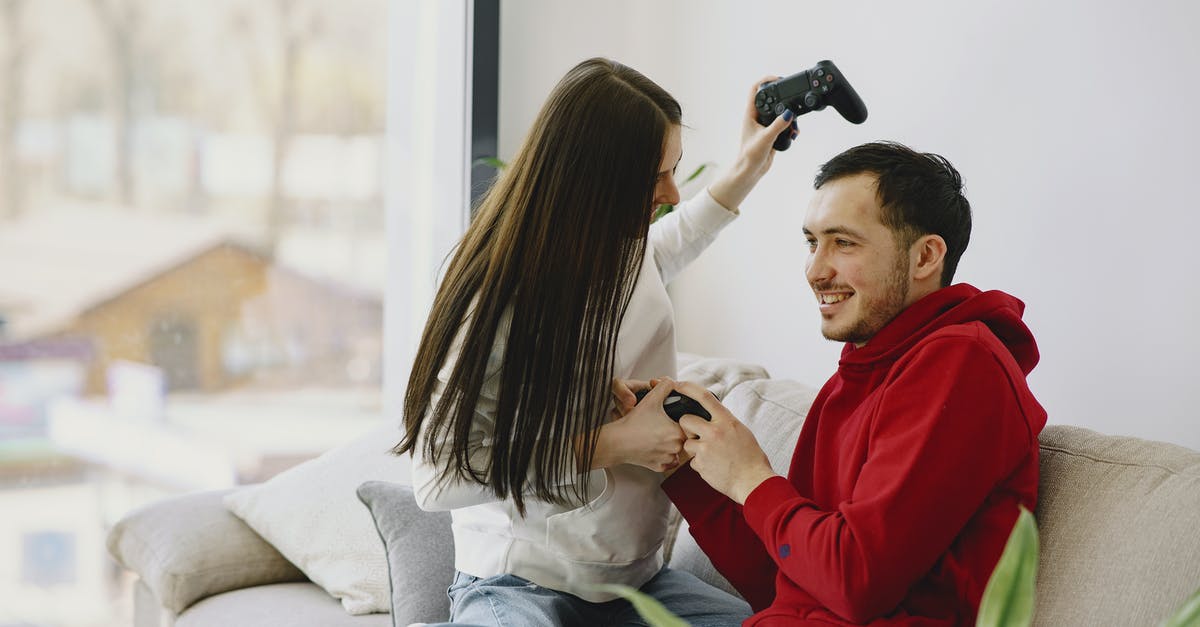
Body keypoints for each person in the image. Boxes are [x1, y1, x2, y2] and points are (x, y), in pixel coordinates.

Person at [392, 57, 797, 626]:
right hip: (518, 585)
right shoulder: (495, 294)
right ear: (594, 179)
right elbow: (437, 481)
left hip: (639, 585)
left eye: (674, 169)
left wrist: (749, 166)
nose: (674, 193)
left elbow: (669, 243)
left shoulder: (620, 250)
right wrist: (614, 443)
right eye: (656, 177)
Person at [615, 141, 1048, 625]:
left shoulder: (962, 365)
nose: (816, 270)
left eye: (844, 242)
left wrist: (751, 477)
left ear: (926, 256)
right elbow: (779, 581)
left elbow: (855, 581)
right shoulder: (858, 375)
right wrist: (689, 461)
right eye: (811, 241)